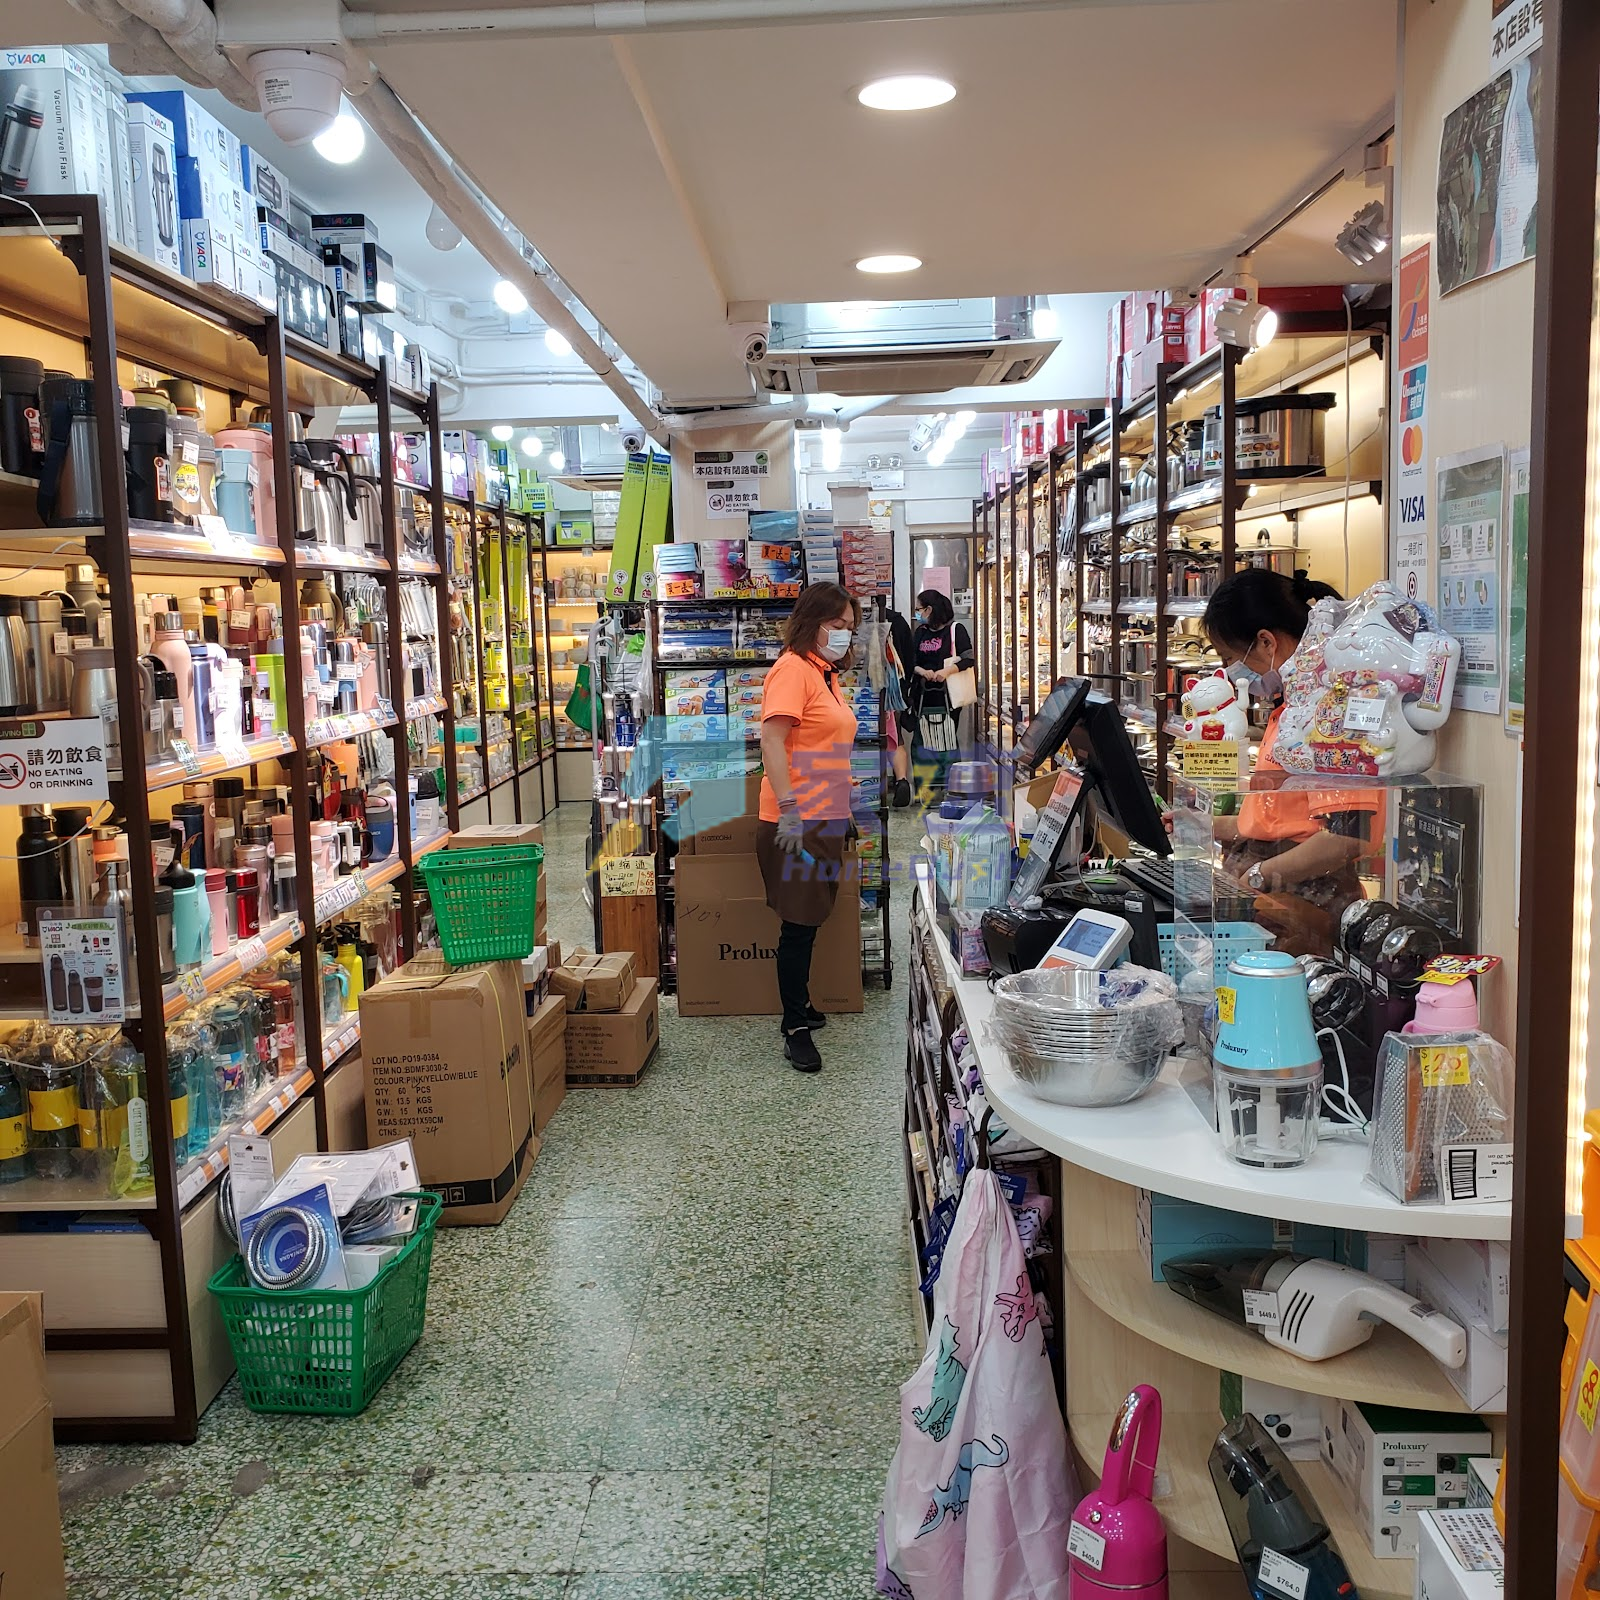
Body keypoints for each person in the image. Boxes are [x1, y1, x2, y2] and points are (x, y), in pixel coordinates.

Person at [1199, 567, 1384, 955]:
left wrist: (1260, 874)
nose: (1232, 673)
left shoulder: (1330, 715)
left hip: (1305, 904)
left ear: (1266, 642)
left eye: (1230, 657)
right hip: (1273, 897)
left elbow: (1348, 835)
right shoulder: (1291, 711)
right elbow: (1276, 820)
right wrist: (1203, 825)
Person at [756, 582, 859, 1072]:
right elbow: (772, 741)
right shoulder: (792, 670)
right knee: (798, 924)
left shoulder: (824, 674)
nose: (844, 634)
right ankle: (794, 1026)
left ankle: (802, 1005)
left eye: (850, 627)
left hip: (826, 814)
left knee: (811, 915)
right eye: (837, 625)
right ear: (811, 622)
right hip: (796, 819)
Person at [908, 589, 974, 763]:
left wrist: (946, 671)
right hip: (922, 698)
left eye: (918, 609)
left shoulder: (955, 630)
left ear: (929, 610)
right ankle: (927, 776)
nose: (917, 613)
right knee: (923, 744)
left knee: (946, 741)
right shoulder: (920, 632)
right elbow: (910, 661)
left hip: (948, 698)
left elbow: (969, 659)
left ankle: (947, 775)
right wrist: (921, 671)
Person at [885, 607, 915, 807]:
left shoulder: (843, 618)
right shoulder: (896, 620)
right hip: (893, 690)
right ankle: (901, 779)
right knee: (895, 737)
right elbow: (910, 659)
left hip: (855, 689)